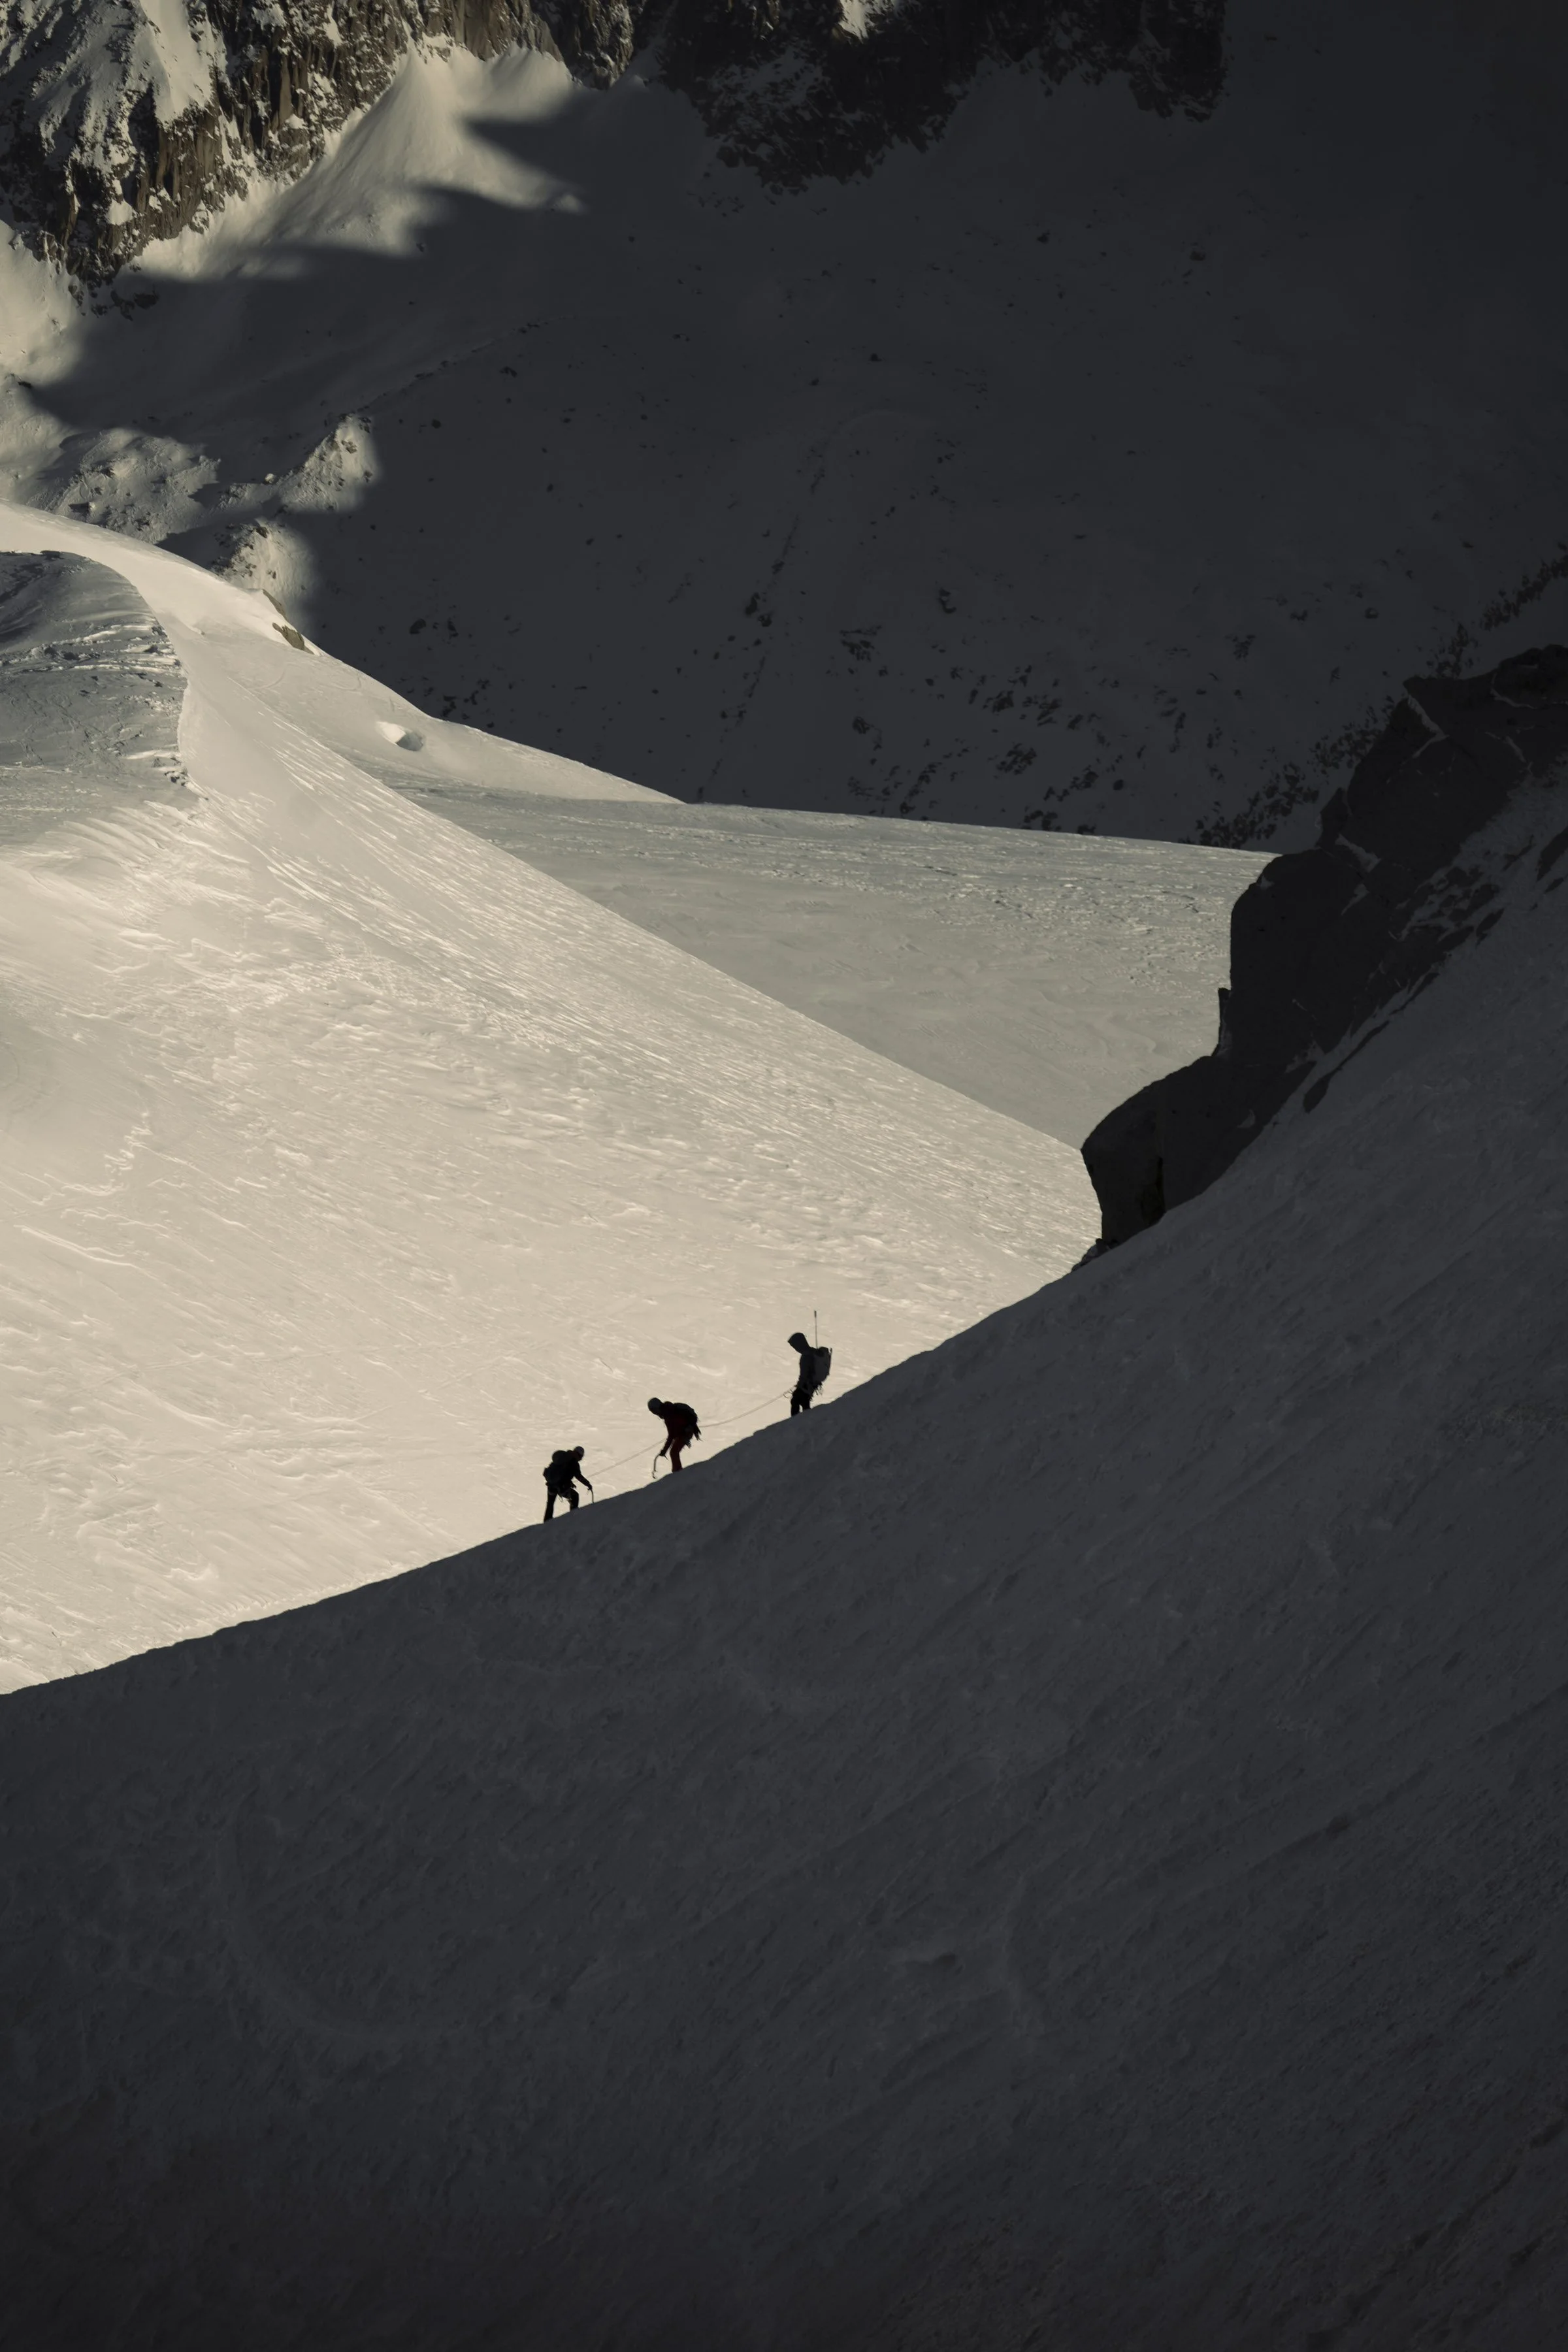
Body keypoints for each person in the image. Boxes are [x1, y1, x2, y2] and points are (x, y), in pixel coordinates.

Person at [648, 1396, 700, 1472]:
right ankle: (677, 1471)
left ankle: (677, 1472)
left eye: (653, 1411)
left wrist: (664, 1450)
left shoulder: (668, 1415)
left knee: (674, 1452)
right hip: (687, 1431)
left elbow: (671, 1436)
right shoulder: (670, 1410)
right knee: (674, 1451)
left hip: (685, 1432)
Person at [787, 1331, 832, 1416]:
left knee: (795, 1401)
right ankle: (807, 1419)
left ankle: (797, 1421)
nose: (795, 1349)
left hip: (806, 1384)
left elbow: (805, 1374)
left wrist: (800, 1385)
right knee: (804, 1402)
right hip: (812, 1385)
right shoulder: (813, 1352)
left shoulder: (806, 1356)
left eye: (795, 1346)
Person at [542, 1445, 592, 1520]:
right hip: (562, 1487)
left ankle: (547, 1521)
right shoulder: (574, 1463)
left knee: (550, 1503)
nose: (580, 1459)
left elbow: (562, 1473)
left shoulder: (563, 1457)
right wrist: (588, 1484)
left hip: (551, 1485)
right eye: (581, 1457)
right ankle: (572, 1517)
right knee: (575, 1496)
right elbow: (578, 1476)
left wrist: (569, 1483)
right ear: (578, 1455)